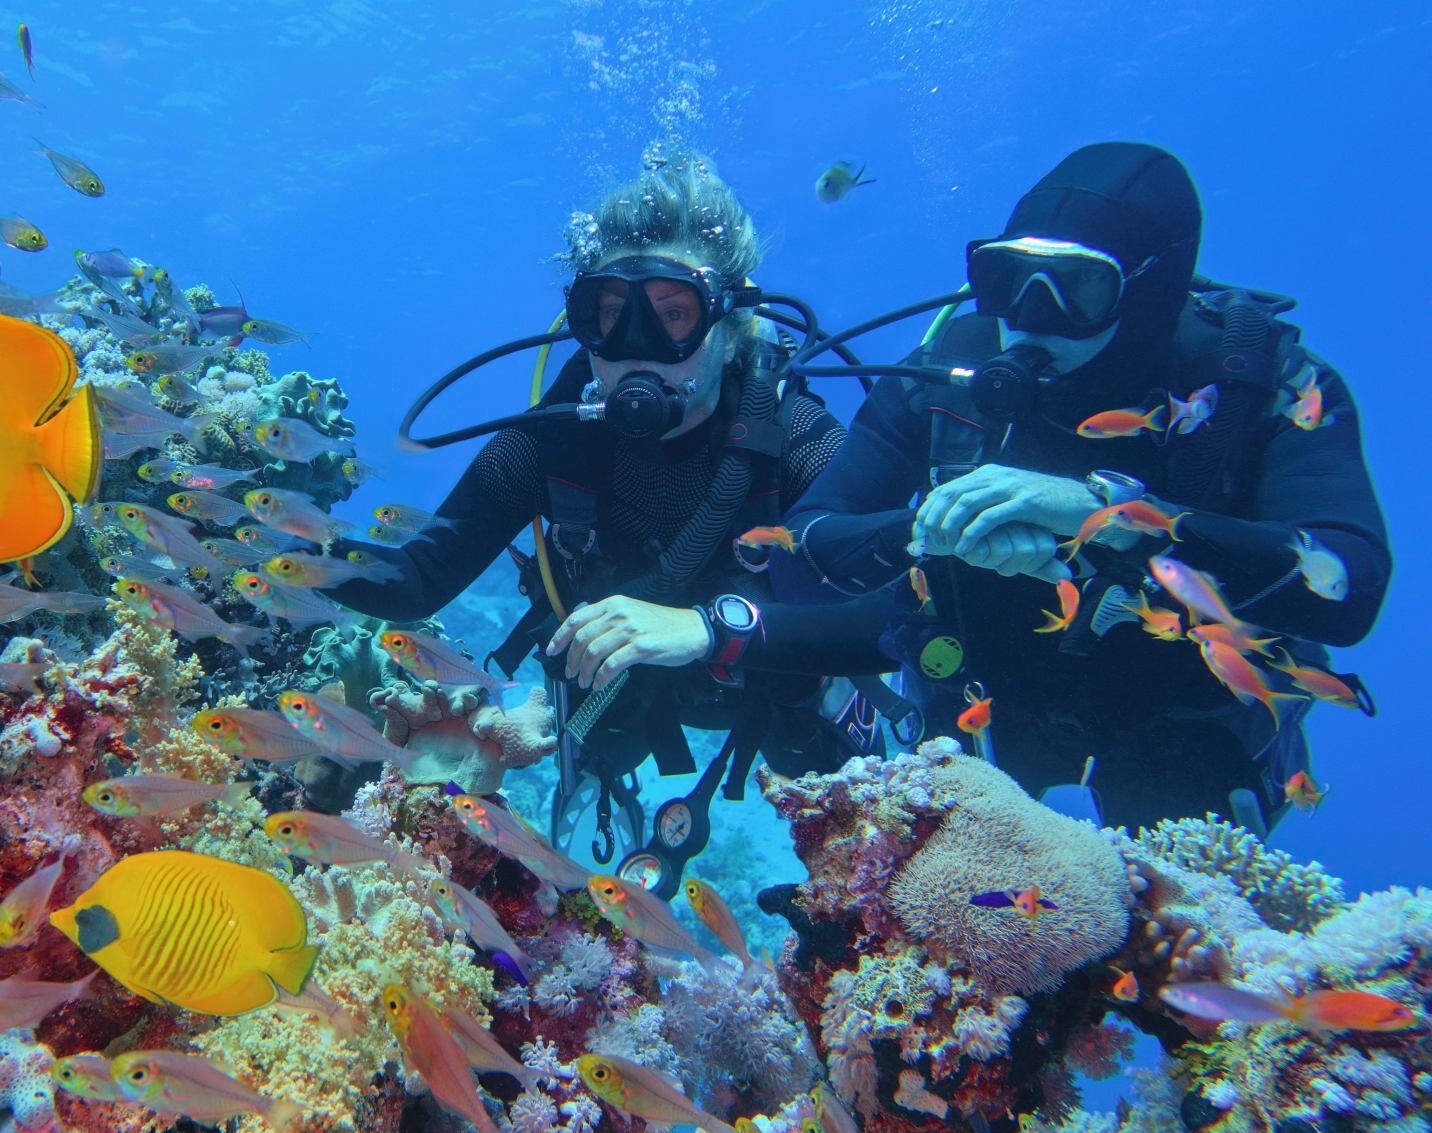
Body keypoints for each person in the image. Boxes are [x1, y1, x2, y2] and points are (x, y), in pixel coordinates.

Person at [777, 142, 1389, 832]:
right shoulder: (948, 376)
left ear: (1151, 289)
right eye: (1008, 278)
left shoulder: (1258, 388)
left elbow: (1352, 586)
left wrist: (1120, 517)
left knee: (1171, 921)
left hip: (1181, 727)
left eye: (1081, 287)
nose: (1030, 316)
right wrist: (930, 525)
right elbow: (795, 554)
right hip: (979, 713)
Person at [332, 156, 895, 894]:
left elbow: (896, 613)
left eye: (673, 317)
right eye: (607, 315)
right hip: (618, 686)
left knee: (850, 817)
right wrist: (279, 544)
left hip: (772, 678)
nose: (634, 350)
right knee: (588, 773)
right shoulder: (548, 440)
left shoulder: (801, 442)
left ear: (730, 324)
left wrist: (712, 628)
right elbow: (415, 581)